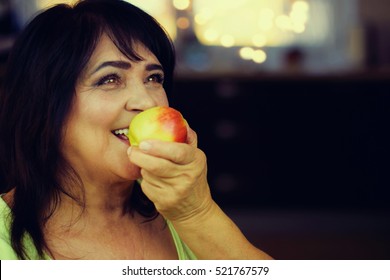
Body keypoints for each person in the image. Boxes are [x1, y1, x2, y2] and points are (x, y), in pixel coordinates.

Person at [0, 0, 272, 260]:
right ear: (45, 104)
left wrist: (198, 214)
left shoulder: (179, 204)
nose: (148, 102)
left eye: (154, 78)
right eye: (109, 79)